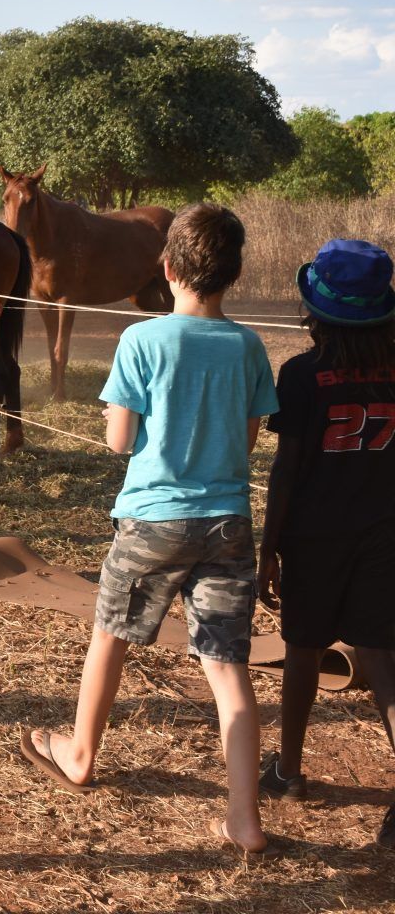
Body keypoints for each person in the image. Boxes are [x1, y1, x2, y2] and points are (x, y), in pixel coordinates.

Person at [21, 203, 278, 858]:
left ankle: (79, 755)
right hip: (227, 523)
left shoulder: (142, 340)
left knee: (110, 638)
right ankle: (245, 819)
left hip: (154, 520)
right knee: (227, 669)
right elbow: (246, 443)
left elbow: (118, 440)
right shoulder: (249, 346)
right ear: (235, 274)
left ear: (165, 269)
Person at [257, 239, 395, 849]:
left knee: (304, 651)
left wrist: (268, 546)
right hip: (386, 534)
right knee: (384, 661)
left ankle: (288, 770)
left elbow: (287, 470)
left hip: (313, 537)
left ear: (315, 309)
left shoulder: (301, 375)